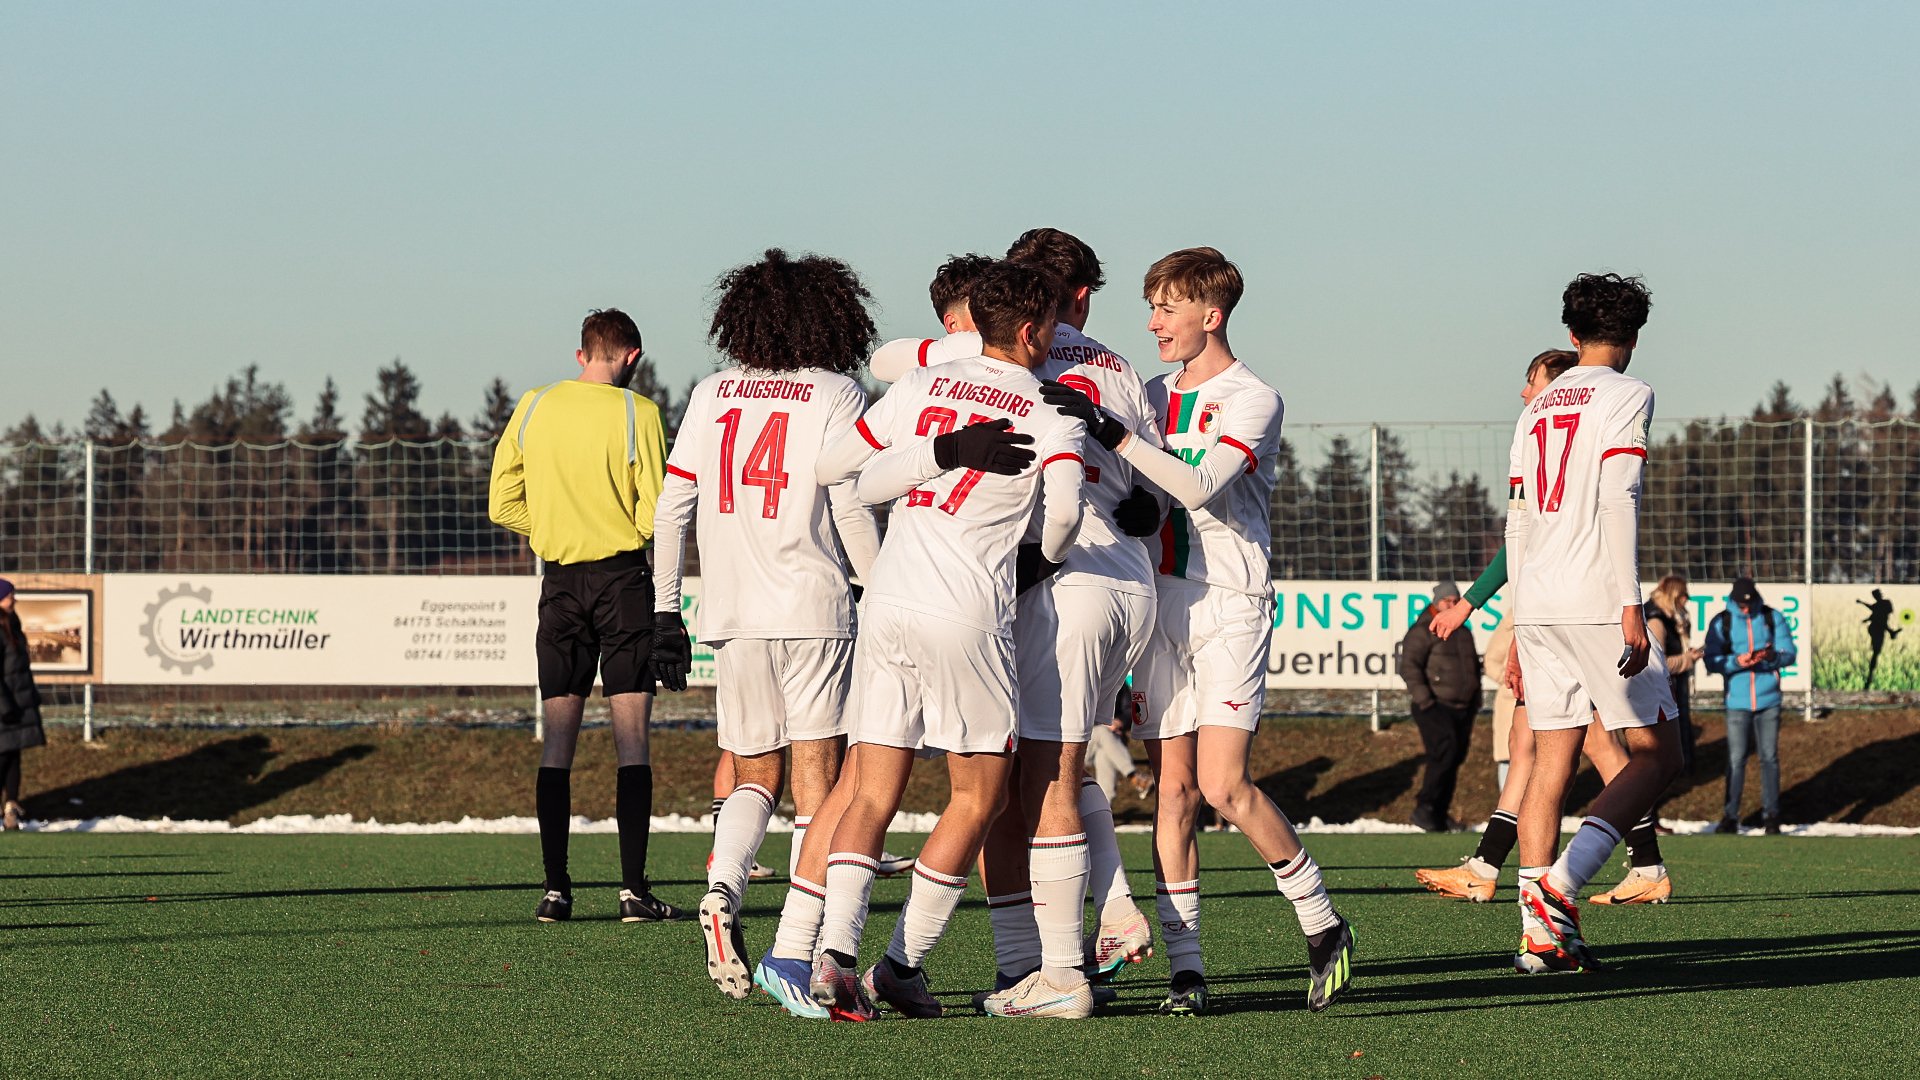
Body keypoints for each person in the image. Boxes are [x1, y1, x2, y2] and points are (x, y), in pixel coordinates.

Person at [762, 260, 1084, 1021]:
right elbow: (1065, 516)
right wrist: (1036, 562)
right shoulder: (1049, 409)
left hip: (890, 602)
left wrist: (939, 454)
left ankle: (833, 958)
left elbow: (837, 469)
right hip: (966, 610)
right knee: (978, 795)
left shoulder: (920, 387)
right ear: (1033, 331)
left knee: (871, 788)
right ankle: (902, 964)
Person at [1041, 246, 1354, 1015]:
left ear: (1210, 315)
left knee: (1222, 783)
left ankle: (1322, 923)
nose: (1153, 324)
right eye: (1150, 307)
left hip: (1230, 603)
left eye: (1168, 308)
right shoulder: (1147, 393)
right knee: (1172, 791)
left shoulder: (1254, 397)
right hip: (1160, 601)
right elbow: (1143, 490)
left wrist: (1116, 439)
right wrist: (1132, 503)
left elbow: (1201, 483)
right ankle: (1188, 971)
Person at [650, 249, 896, 998]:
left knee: (754, 771)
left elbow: (672, 508)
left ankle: (722, 891)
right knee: (818, 783)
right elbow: (850, 505)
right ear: (831, 317)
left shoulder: (712, 392)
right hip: (814, 607)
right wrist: (883, 588)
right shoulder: (834, 391)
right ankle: (804, 941)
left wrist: (666, 610)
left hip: (732, 612)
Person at [1416, 348, 1673, 907]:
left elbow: (1526, 539)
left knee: (1591, 748)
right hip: (1555, 610)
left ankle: (1576, 874)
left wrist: (1472, 607)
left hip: (1567, 607)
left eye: (1530, 380)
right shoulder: (1551, 426)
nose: (1524, 392)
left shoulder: (1550, 422)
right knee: (1542, 745)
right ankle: (1511, 876)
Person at [1503, 272, 1682, 974]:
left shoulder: (1538, 404)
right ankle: (1562, 887)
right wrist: (1630, 598)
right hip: (1595, 598)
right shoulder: (1630, 393)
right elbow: (1619, 493)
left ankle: (1538, 939)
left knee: (1552, 763)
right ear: (1632, 338)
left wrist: (1519, 620)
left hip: (1540, 601)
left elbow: (1516, 516)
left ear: (1572, 335)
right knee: (1658, 755)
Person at [487, 308, 685, 924]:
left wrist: (547, 527)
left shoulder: (535, 405)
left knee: (559, 743)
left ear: (581, 356)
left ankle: (555, 891)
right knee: (632, 743)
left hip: (560, 584)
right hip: (622, 580)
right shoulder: (640, 413)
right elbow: (658, 510)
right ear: (633, 357)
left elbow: (501, 501)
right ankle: (632, 892)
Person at [1703, 576, 1798, 835]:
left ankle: (1771, 816)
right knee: (1736, 759)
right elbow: (1711, 660)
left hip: (1769, 700)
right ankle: (1730, 816)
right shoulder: (1722, 621)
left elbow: (1789, 653)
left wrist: (1770, 658)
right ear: (1733, 601)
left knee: (1769, 758)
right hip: (1737, 700)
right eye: (1741, 605)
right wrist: (1737, 661)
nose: (1746, 609)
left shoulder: (1772, 617)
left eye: (1749, 604)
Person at [1398, 581, 1483, 832]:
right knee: (1443, 755)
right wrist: (1426, 701)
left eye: (1456, 601)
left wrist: (1475, 698)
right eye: (1448, 601)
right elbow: (1409, 666)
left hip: (1463, 707)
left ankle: (1439, 812)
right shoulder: (1423, 631)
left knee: (1455, 757)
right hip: (1435, 705)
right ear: (1436, 603)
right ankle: (1425, 809)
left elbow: (1472, 669)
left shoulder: (1464, 632)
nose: (1453, 605)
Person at [1644, 574, 1703, 822]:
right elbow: (1656, 662)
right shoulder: (1656, 620)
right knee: (1653, 759)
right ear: (1672, 595)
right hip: (1657, 694)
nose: (1687, 600)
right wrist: (1686, 660)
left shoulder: (1669, 617)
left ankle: (1649, 818)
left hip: (1664, 692)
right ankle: (1647, 818)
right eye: (1683, 595)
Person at [0, 579, 46, 831]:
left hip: (18, 704)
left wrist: (31, 697)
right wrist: (4, 706)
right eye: (9, 596)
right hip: (5, 707)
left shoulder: (13, 625)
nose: (14, 600)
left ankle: (11, 808)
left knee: (14, 756)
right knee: (3, 757)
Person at [1857, 589, 1902, 690]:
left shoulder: (1883, 604)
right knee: (1876, 651)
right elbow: (1875, 612)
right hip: (1877, 629)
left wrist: (1862, 604)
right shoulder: (1883, 605)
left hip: (1877, 628)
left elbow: (1875, 611)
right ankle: (1891, 632)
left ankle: (1891, 632)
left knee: (1876, 651)